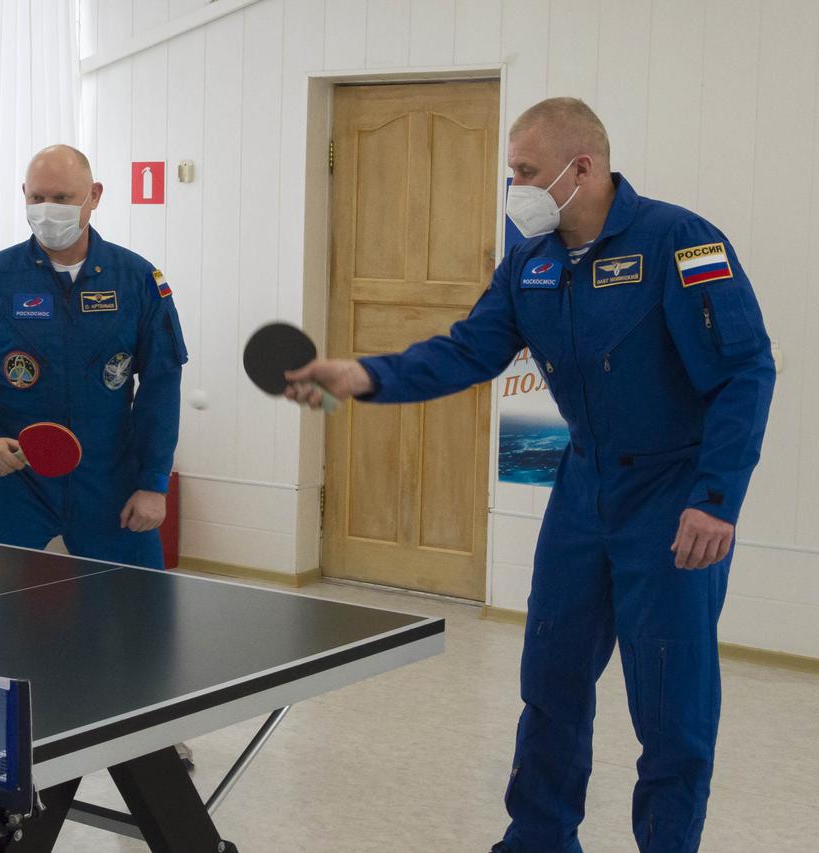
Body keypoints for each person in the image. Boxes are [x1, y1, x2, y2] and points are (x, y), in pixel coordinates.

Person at [285, 98, 774, 853]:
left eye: (526, 171)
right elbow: (467, 349)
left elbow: (745, 373)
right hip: (583, 489)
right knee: (550, 684)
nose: (514, 187)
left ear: (583, 168)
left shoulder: (680, 240)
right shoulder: (529, 261)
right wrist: (362, 374)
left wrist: (716, 499)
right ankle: (538, 839)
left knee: (672, 706)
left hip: (673, 496)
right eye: (512, 170)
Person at [0, 144, 188, 840]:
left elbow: (160, 385)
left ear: (95, 196)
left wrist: (153, 484)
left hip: (110, 477)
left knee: (144, 616)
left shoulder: (139, 281)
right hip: (19, 475)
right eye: (37, 195)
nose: (50, 210)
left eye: (63, 197)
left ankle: (154, 739)